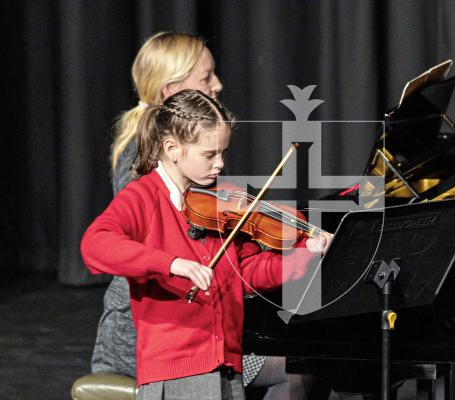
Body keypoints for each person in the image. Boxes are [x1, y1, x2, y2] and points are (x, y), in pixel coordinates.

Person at [93, 31, 330, 399]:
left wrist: (303, 254)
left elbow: (241, 270)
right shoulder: (145, 179)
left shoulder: (207, 192)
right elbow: (108, 244)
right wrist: (173, 262)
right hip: (160, 340)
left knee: (304, 365)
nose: (217, 84)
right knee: (297, 371)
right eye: (205, 77)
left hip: (214, 342)